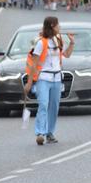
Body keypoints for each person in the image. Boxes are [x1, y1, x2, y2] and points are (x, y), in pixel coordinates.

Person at [27, 17, 74, 145]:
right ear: (53, 25)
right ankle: (40, 133)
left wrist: (71, 43)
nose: (60, 27)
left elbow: (67, 55)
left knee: (54, 106)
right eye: (58, 24)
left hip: (57, 78)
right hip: (44, 78)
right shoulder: (41, 43)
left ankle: (50, 132)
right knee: (43, 104)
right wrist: (30, 82)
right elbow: (34, 63)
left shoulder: (58, 40)